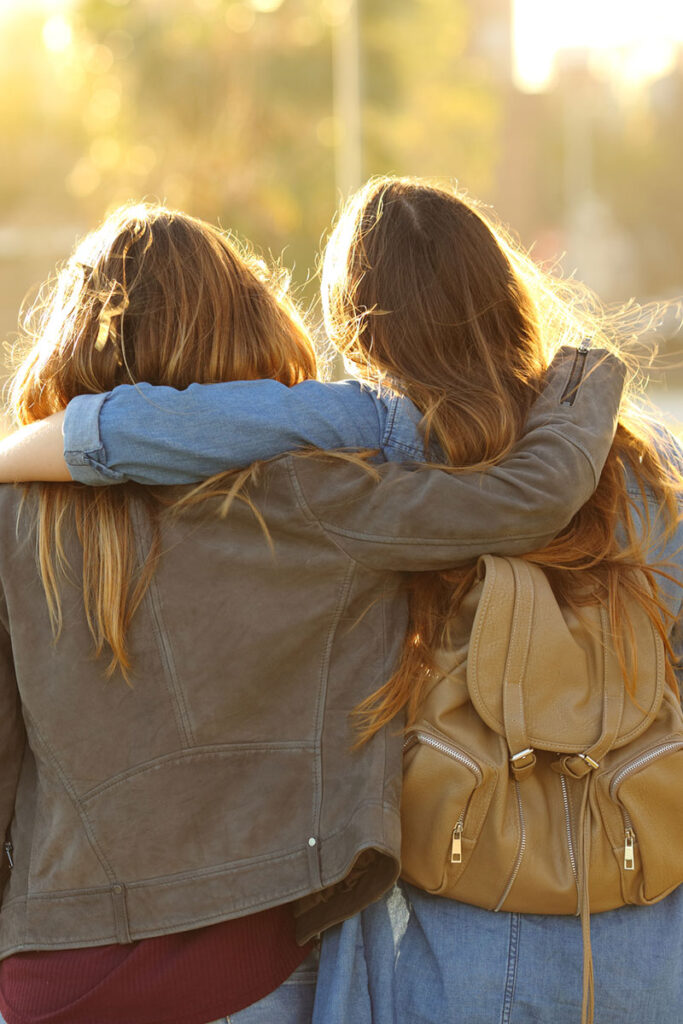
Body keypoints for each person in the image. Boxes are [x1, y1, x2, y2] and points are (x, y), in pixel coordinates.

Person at [10, 177, 682, 1024]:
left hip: (436, 926)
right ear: (508, 294)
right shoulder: (636, 467)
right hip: (638, 914)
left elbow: (188, 426)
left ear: (359, 330)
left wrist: (51, 442)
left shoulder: (367, 445)